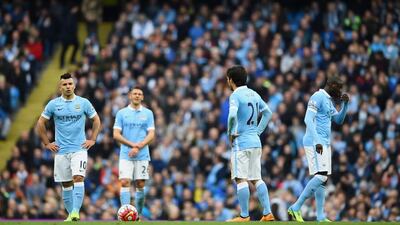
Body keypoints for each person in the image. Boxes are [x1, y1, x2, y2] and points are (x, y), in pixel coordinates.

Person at [36, 73, 101, 221]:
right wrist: (47, 143)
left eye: (70, 84)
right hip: (61, 151)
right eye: (65, 84)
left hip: (79, 149)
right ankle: (71, 215)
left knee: (78, 177)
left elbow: (96, 120)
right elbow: (40, 123)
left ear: (74, 85)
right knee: (66, 184)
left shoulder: (83, 103)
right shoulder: (53, 104)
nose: (68, 86)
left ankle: (75, 212)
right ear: (60, 87)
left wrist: (93, 139)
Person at [288, 76, 349, 222]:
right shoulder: (318, 96)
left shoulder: (328, 101)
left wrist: (345, 105)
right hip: (315, 142)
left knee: (323, 179)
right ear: (331, 85)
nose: (340, 92)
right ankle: (296, 207)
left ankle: (320, 216)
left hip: (325, 143)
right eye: (338, 88)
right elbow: (307, 119)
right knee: (321, 176)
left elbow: (339, 120)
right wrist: (317, 141)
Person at [225, 65, 274, 222]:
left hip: (242, 142)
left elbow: (232, 115)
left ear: (231, 80)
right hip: (255, 141)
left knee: (240, 178)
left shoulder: (235, 95)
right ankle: (267, 213)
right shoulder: (254, 94)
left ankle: (244, 215)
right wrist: (258, 131)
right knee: (256, 178)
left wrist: (231, 133)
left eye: (227, 79)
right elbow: (268, 113)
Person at [113, 87, 155, 220]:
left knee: (140, 184)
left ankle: (138, 215)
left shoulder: (148, 113)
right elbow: (116, 134)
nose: (137, 96)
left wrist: (139, 146)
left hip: (142, 155)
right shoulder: (121, 113)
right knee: (125, 182)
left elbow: (151, 134)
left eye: (140, 94)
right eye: (135, 93)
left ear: (142, 97)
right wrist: (133, 146)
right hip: (126, 154)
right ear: (130, 96)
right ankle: (125, 215)